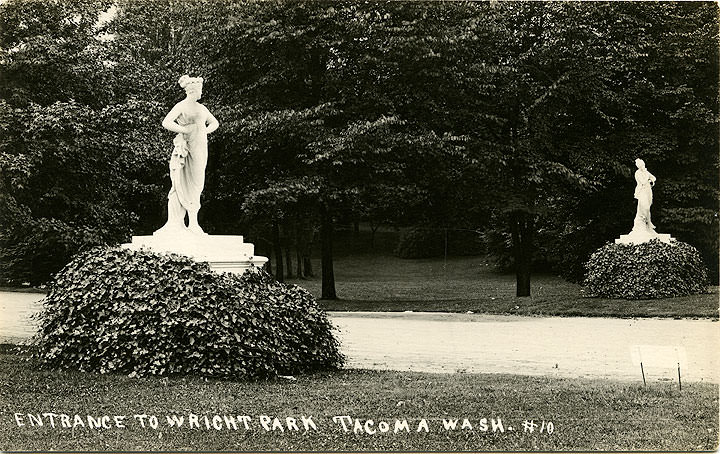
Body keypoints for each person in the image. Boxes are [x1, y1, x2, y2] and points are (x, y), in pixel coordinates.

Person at [156, 75, 219, 235]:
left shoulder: (202, 108)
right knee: (182, 181)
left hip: (200, 146)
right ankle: (181, 223)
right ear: (194, 90)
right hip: (186, 146)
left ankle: (193, 222)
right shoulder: (181, 106)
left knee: (197, 182)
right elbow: (166, 122)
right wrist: (185, 130)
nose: (201, 93)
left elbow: (215, 123)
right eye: (200, 90)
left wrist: (204, 130)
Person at [633, 158, 656, 233]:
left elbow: (654, 178)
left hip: (648, 191)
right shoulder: (638, 173)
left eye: (643, 164)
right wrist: (647, 176)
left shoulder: (646, 172)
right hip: (641, 191)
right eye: (642, 165)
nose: (643, 166)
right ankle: (642, 220)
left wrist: (650, 180)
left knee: (648, 207)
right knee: (644, 206)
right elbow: (642, 181)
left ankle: (648, 223)